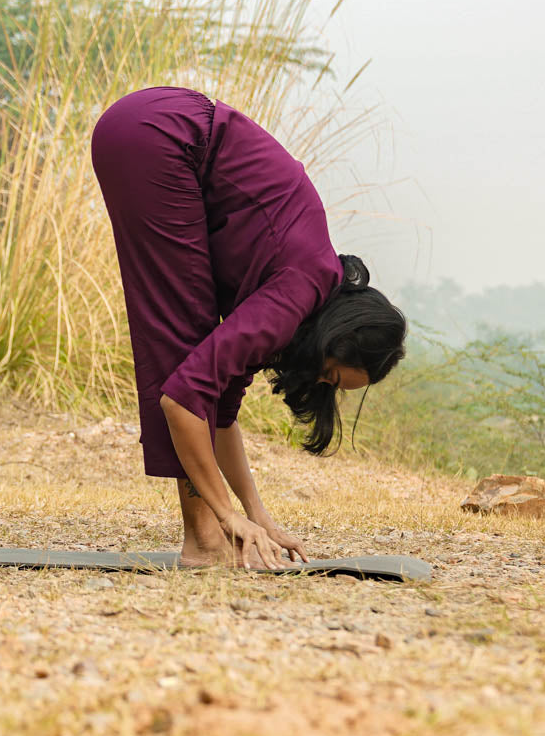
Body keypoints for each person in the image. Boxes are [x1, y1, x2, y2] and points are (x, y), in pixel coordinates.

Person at [91, 86, 406, 570]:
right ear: (332, 339)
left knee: (197, 360)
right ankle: (205, 540)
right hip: (164, 137)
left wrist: (257, 514)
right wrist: (227, 514)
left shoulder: (298, 293)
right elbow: (182, 399)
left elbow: (218, 414)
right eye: (330, 375)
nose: (319, 383)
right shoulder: (299, 289)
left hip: (152, 129)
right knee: (184, 346)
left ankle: (209, 538)